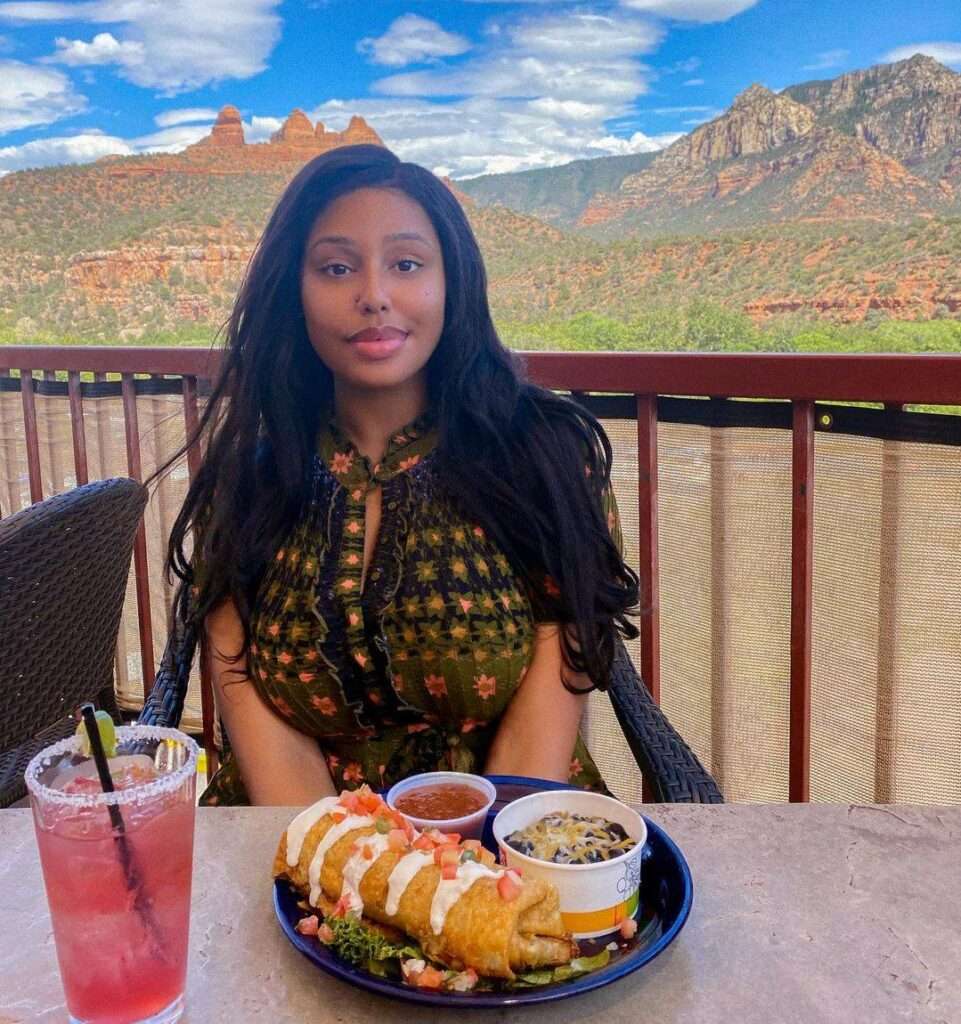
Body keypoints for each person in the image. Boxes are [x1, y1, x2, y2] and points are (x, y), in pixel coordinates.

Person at [160, 144, 639, 806]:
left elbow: (555, 693)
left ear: (452, 282)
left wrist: (462, 879)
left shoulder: (542, 456)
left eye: (406, 264)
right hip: (293, 842)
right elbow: (244, 689)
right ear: (292, 291)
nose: (374, 297)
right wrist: (340, 874)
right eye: (335, 268)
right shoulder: (249, 481)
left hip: (511, 827)